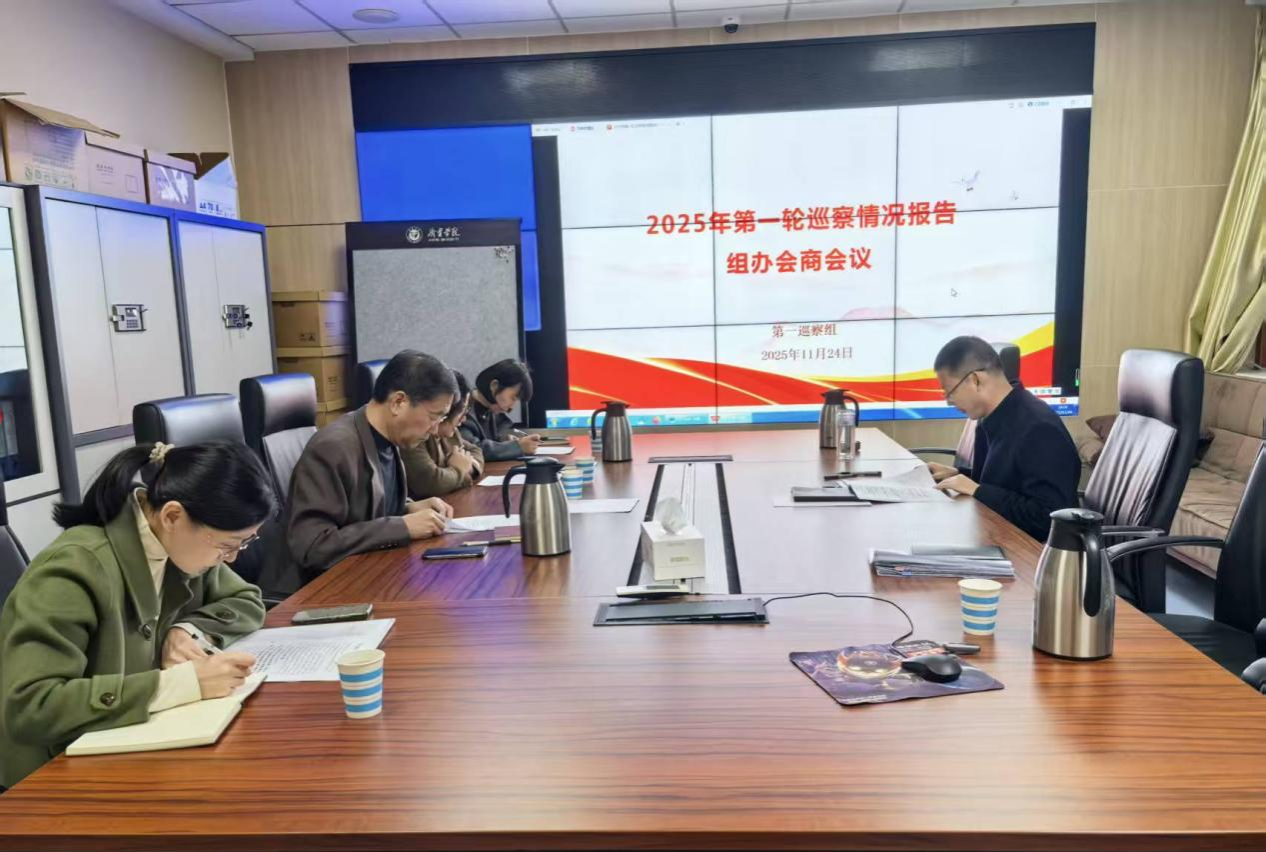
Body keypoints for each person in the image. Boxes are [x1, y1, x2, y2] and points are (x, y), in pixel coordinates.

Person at [0, 441, 274, 788]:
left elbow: (246, 599)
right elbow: (31, 707)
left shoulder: (178, 544)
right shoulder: (75, 568)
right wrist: (182, 683)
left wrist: (187, 629)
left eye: (244, 544)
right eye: (227, 545)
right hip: (51, 779)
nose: (232, 558)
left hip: (127, 747)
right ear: (172, 516)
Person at [279, 350, 458, 592]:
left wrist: (407, 507)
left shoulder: (387, 439)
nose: (435, 430)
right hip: (324, 591)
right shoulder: (334, 447)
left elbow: (362, 508)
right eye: (434, 417)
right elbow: (313, 546)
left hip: (369, 576)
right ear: (398, 402)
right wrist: (402, 526)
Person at [928, 335, 1080, 541]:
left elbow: (1048, 517)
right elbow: (1005, 484)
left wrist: (978, 490)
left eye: (949, 392)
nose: (949, 402)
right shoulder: (993, 416)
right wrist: (959, 474)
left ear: (975, 380)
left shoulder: (1038, 428)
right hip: (998, 532)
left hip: (1032, 550)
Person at [403, 370, 485, 499]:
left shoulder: (450, 432)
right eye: (462, 411)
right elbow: (431, 483)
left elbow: (475, 450)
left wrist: (467, 467)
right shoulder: (416, 434)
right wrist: (459, 471)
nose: (464, 419)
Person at [461, 358, 540, 461]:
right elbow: (473, 450)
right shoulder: (462, 411)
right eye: (513, 398)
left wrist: (503, 441)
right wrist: (517, 447)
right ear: (494, 386)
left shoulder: (491, 411)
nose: (512, 407)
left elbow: (487, 441)